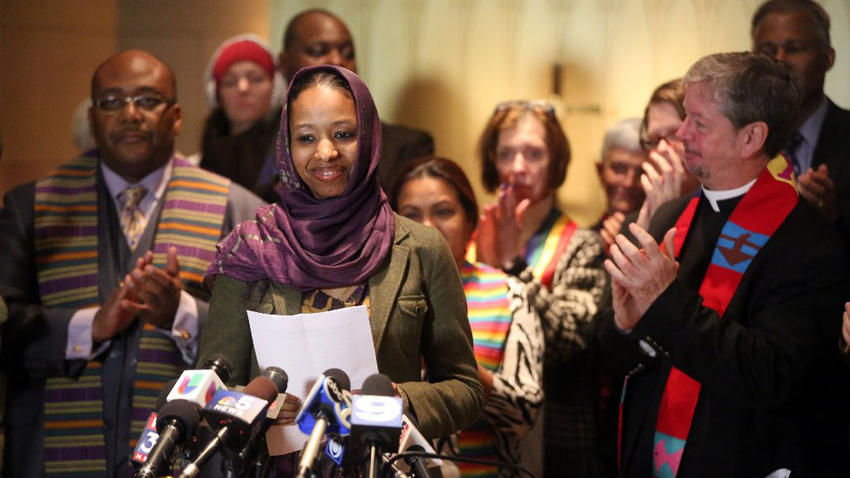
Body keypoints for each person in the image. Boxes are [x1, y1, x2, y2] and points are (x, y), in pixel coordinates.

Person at [0, 49, 265, 478]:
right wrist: (89, 327)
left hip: (187, 458)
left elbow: (263, 339)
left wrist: (180, 313)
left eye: (146, 100)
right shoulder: (33, 208)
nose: (129, 114)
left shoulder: (238, 210)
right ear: (92, 118)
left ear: (176, 115)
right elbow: (5, 329)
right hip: (53, 457)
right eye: (111, 102)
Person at [199, 66, 482, 451]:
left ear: (369, 137)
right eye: (306, 137)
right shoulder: (251, 248)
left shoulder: (421, 248)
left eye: (344, 134)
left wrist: (404, 400)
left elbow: (466, 388)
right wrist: (256, 405)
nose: (326, 152)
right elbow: (210, 387)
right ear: (287, 145)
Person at [604, 52, 848, 476]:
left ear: (751, 137)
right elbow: (625, 363)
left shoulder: (808, 243)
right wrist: (626, 327)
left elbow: (772, 376)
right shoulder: (669, 216)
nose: (680, 134)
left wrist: (664, 302)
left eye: (698, 123)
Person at [474, 100, 608, 478]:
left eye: (533, 154)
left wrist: (514, 265)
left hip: (553, 439)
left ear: (556, 164)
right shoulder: (469, 233)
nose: (518, 167)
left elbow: (570, 339)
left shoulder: (581, 244)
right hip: (475, 432)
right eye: (506, 154)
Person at [392, 156, 543, 477]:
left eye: (444, 212)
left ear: (470, 220)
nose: (428, 228)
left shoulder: (508, 293)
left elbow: (524, 413)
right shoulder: (378, 295)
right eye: (411, 215)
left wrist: (454, 364)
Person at [279, 8, 434, 191]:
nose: (337, 60)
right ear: (284, 63)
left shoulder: (407, 147)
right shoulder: (250, 146)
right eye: (318, 51)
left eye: (348, 53)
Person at [751, 0, 850, 239]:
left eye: (794, 48)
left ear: (828, 58)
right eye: (767, 51)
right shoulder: (737, 138)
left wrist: (831, 218)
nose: (779, 60)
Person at [197, 34, 285, 202]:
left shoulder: (289, 154)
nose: (243, 88)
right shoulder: (203, 161)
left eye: (255, 79)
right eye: (230, 82)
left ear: (275, 88)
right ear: (217, 94)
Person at [593, 118, 648, 248]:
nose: (629, 183)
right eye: (619, 168)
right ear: (600, 172)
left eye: (641, 172)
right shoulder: (576, 242)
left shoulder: (667, 239)